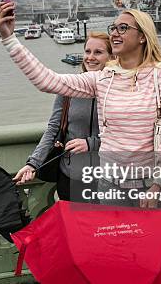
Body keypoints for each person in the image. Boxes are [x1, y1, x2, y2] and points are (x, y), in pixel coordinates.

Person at [0, 1, 161, 284]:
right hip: (110, 186)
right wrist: (10, 39)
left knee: (151, 261)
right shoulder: (103, 79)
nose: (115, 32)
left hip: (150, 185)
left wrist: (158, 182)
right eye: (112, 27)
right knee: (114, 259)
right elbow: (48, 81)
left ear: (142, 37)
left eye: (122, 28)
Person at [13, 32, 112, 202]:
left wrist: (91, 143)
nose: (90, 57)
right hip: (70, 178)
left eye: (98, 52)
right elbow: (53, 129)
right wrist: (33, 163)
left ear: (112, 56)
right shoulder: (70, 87)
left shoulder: (119, 89)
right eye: (87, 52)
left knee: (105, 228)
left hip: (107, 180)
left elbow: (127, 134)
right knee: (74, 227)